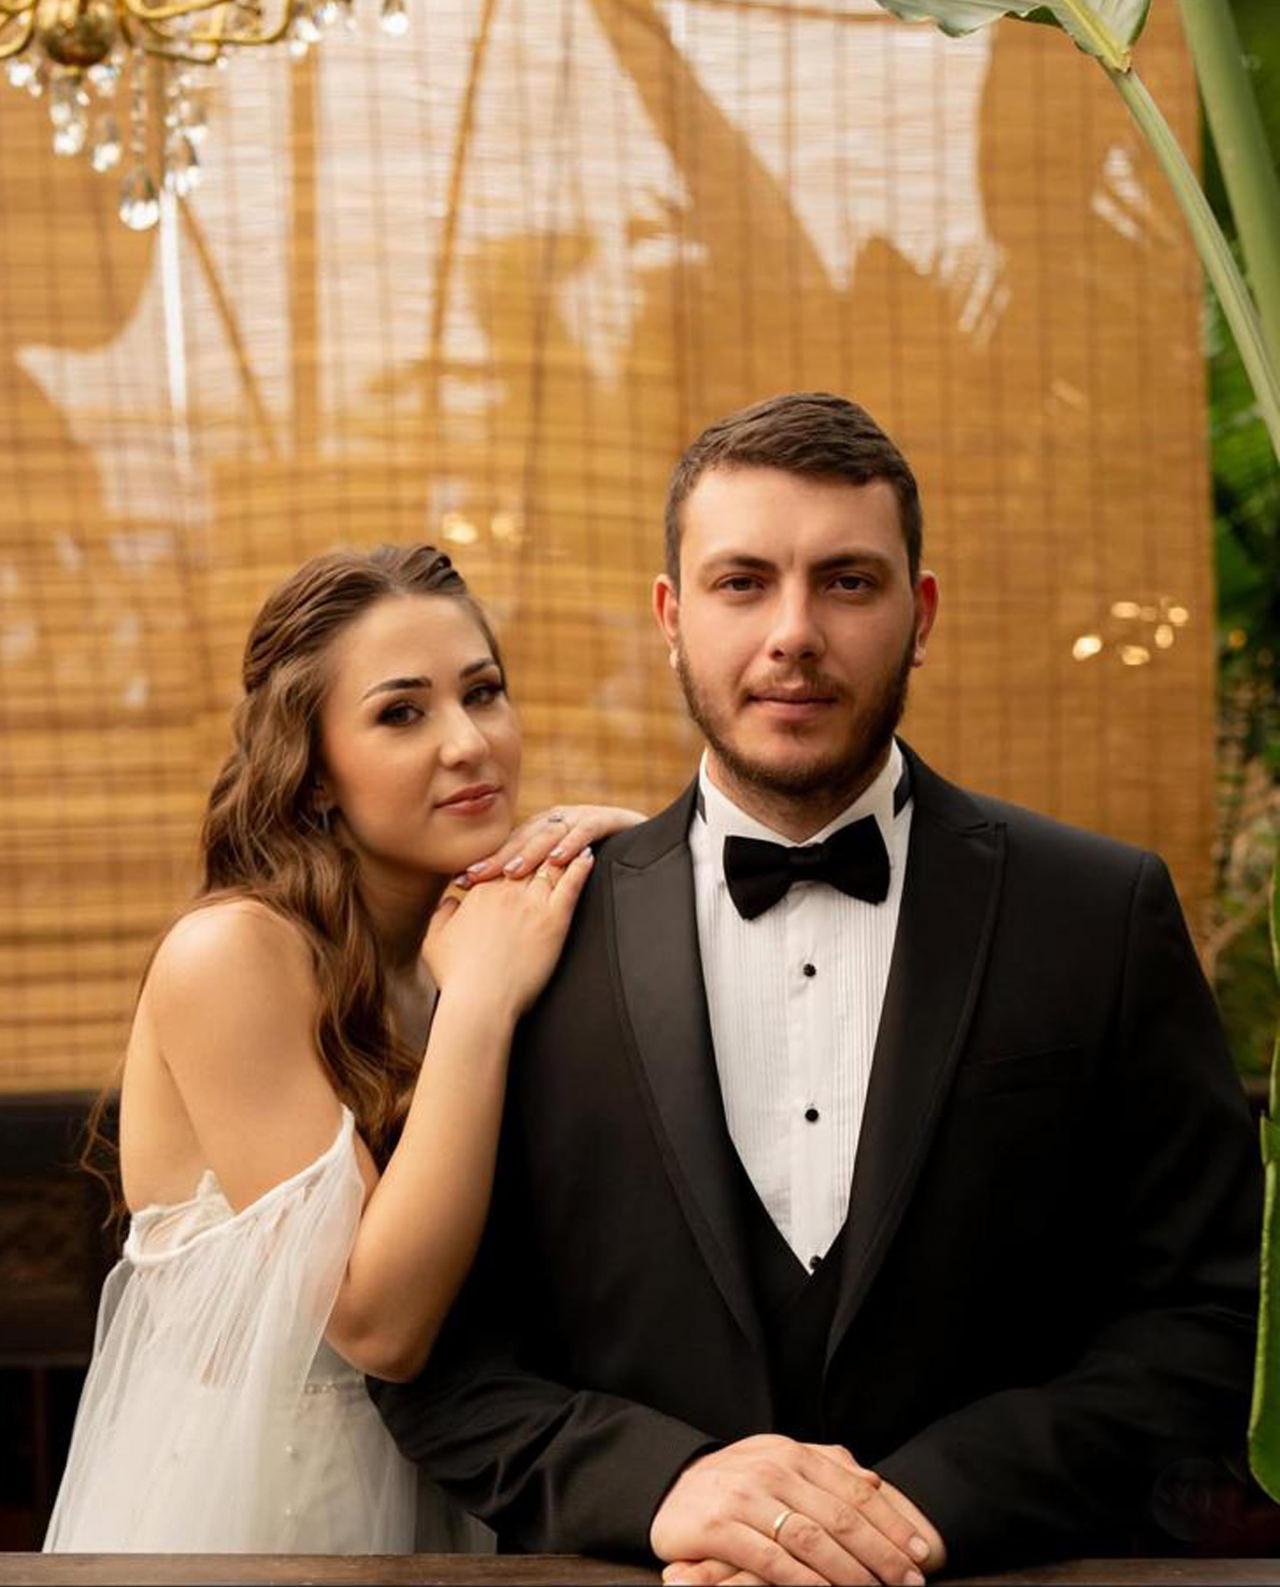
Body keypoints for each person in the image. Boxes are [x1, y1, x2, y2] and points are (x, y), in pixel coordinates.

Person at [373, 392, 1262, 1583]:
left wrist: (928, 1506)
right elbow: (436, 1363)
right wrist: (662, 1486)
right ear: (671, 618)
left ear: (919, 614)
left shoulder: (1098, 914)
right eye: (742, 583)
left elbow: (1208, 1319)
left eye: (845, 582)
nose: (793, 633)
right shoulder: (530, 943)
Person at [44, 544, 644, 1554]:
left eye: (483, 693)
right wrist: (479, 1003)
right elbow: (378, 1325)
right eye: (401, 713)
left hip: (481, 1482)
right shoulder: (230, 956)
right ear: (315, 771)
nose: (469, 744)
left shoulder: (485, 929)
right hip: (277, 1519)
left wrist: (644, 852)